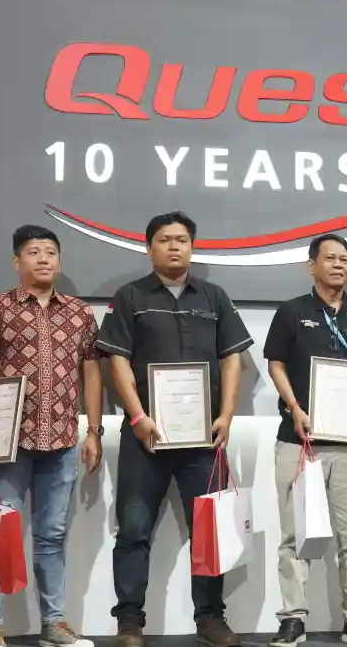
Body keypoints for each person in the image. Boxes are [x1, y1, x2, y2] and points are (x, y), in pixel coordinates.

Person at [97, 212, 252, 647]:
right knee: (133, 530)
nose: (174, 246)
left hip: (204, 437)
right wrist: (137, 417)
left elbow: (232, 359)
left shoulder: (215, 297)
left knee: (210, 529)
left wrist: (227, 415)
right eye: (165, 240)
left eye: (182, 240)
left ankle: (211, 618)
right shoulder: (130, 297)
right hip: (145, 435)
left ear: (192, 247)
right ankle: (130, 620)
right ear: (150, 248)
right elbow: (117, 362)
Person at [0, 225, 104, 647]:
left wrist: (93, 431)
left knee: (52, 536)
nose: (44, 259)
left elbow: (92, 374)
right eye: (33, 252)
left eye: (50, 252)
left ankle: (54, 623)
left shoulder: (80, 313)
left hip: (62, 440)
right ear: (16, 261)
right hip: (7, 443)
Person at [263, 234, 347, 647]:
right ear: (311, 265)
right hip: (300, 441)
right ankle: (293, 618)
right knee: (296, 536)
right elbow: (276, 364)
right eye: (330, 258)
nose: (338, 265)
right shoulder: (292, 311)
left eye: (345, 260)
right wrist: (294, 408)